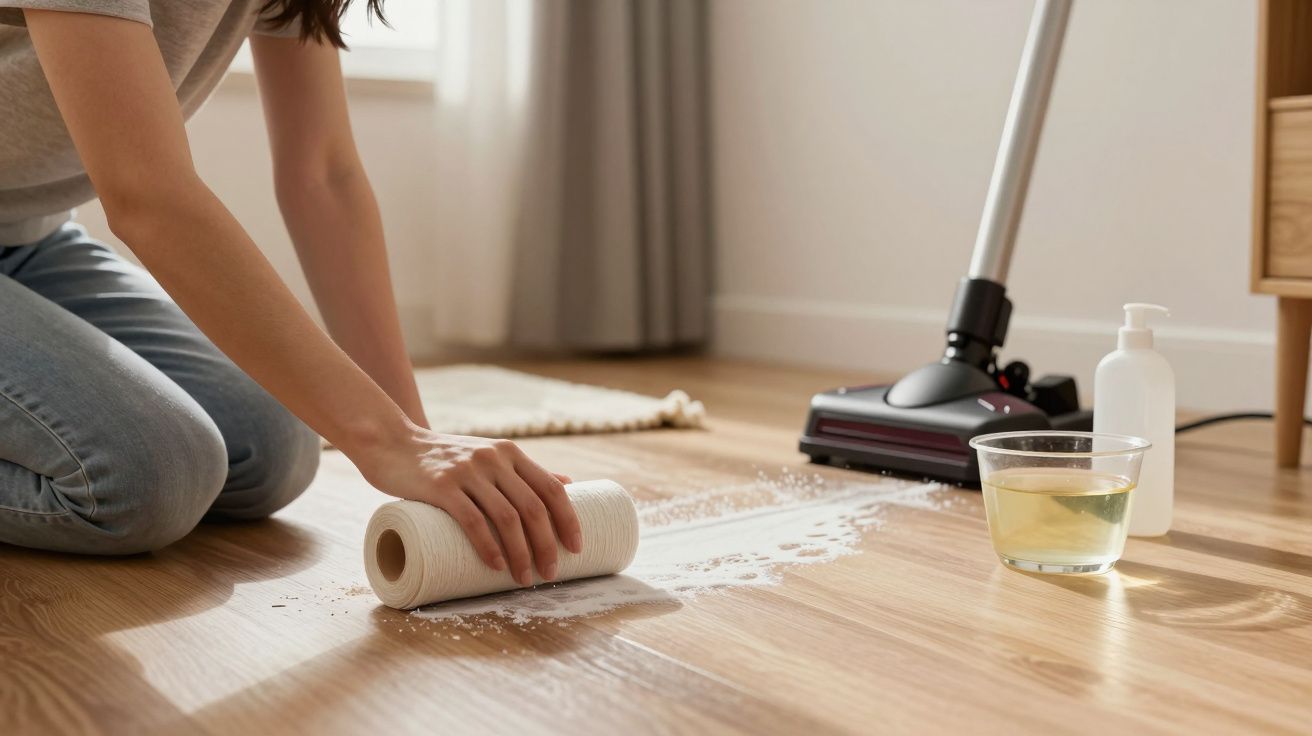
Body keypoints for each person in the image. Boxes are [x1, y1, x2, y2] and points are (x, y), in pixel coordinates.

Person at [0, 0, 581, 586]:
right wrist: (389, 440)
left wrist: (417, 438)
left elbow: (323, 175)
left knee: (271, 448)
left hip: (32, 237)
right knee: (144, 480)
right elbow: (149, 197)